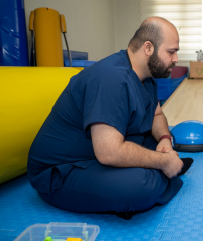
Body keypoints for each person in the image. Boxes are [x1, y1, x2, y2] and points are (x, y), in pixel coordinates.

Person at [27, 17, 193, 219]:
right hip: (59, 172)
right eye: (171, 51)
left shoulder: (147, 76)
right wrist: (163, 162)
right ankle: (166, 172)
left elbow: (156, 113)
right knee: (141, 186)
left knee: (155, 140)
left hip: (98, 151)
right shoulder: (111, 78)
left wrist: (165, 140)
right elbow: (109, 153)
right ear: (148, 48)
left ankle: (164, 170)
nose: (176, 59)